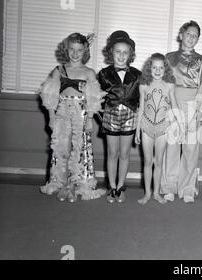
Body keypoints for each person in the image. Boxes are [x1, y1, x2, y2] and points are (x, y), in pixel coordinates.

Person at [39, 32, 106, 202]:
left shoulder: (89, 72)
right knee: (62, 148)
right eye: (72, 50)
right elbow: (50, 97)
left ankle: (77, 185)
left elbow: (93, 98)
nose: (75, 54)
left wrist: (90, 118)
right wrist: (51, 117)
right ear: (66, 50)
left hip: (81, 114)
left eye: (79, 50)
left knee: (80, 149)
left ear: (85, 52)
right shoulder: (59, 71)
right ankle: (61, 183)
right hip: (62, 113)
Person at [160, 20, 202, 203]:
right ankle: (169, 186)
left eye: (195, 36)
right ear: (181, 35)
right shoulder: (169, 57)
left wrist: (197, 106)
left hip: (193, 102)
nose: (191, 38)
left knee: (190, 147)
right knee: (172, 146)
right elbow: (164, 83)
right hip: (173, 100)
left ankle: (187, 188)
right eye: (188, 34)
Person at [98, 30, 141, 203]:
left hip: (130, 116)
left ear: (130, 54)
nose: (121, 55)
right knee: (112, 153)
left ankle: (121, 186)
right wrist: (103, 112)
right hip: (111, 116)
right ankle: (112, 186)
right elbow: (97, 96)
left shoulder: (138, 75)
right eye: (118, 51)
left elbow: (141, 98)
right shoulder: (103, 74)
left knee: (124, 153)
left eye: (125, 52)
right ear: (111, 53)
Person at [135, 53, 178, 205]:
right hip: (146, 126)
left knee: (158, 161)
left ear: (165, 69)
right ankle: (147, 193)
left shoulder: (169, 85)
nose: (158, 71)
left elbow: (174, 106)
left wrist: (177, 124)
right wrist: (137, 130)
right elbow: (141, 109)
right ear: (149, 68)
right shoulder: (144, 85)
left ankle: (156, 193)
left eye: (161, 68)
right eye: (154, 67)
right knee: (147, 161)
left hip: (163, 127)